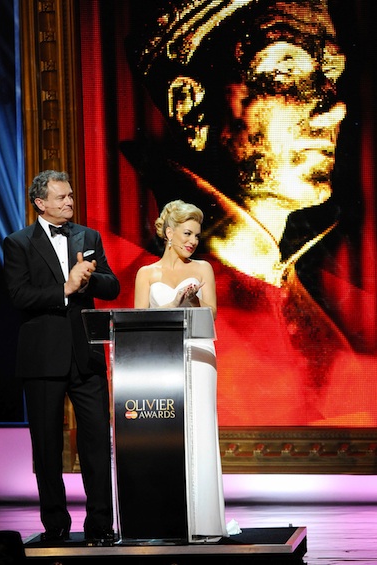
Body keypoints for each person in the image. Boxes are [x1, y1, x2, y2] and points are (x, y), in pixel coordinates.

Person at [122, 0, 377, 427]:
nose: (335, 108)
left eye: (330, 75)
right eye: (284, 71)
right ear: (190, 107)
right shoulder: (139, 288)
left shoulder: (329, 316)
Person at [3, 170, 120, 544]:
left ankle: (101, 524)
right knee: (48, 447)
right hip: (42, 359)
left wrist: (89, 279)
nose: (70, 202)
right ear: (40, 203)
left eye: (71, 196)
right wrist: (65, 288)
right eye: (61, 197)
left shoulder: (88, 236)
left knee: (97, 443)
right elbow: (20, 296)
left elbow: (112, 285)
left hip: (85, 358)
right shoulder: (18, 243)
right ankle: (55, 527)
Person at [134, 199, 227, 541]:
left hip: (199, 353)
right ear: (169, 233)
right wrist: (173, 305)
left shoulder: (203, 269)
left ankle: (204, 521)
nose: (193, 241)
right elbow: (138, 320)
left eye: (197, 236)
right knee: (166, 433)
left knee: (199, 429)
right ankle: (167, 514)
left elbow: (212, 314)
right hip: (162, 356)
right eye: (187, 233)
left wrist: (194, 301)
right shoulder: (147, 274)